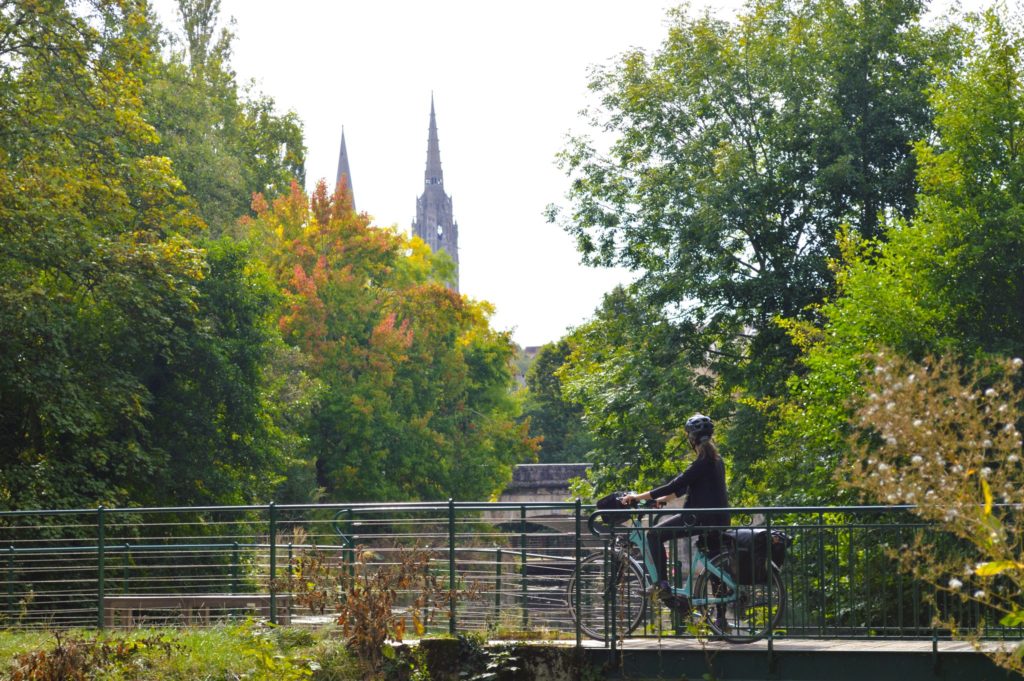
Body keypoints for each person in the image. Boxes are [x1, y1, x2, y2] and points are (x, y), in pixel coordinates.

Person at [622, 413, 729, 600]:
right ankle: (721, 620)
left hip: (698, 518)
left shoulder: (700, 462)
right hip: (719, 518)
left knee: (654, 534)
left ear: (691, 439)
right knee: (714, 564)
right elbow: (684, 489)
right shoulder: (716, 461)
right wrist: (662, 500)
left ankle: (661, 584)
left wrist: (637, 496)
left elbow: (674, 485)